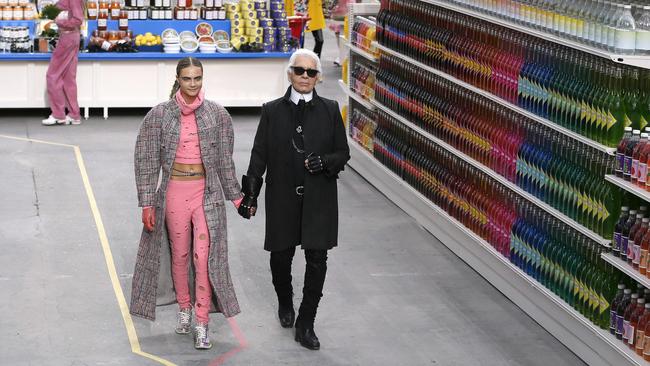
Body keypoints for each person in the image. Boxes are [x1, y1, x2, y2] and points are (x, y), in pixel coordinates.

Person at [239, 49, 350, 350]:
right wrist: (250, 195)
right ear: (289, 73)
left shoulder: (330, 109)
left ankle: (306, 322)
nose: (304, 76)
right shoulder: (272, 111)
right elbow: (259, 154)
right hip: (282, 197)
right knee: (280, 257)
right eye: (299, 71)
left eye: (310, 72)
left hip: (319, 199)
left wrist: (325, 162)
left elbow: (343, 153)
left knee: (317, 260)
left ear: (318, 77)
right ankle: (285, 301)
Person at [130, 57, 243, 350]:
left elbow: (224, 162)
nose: (193, 85)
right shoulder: (160, 115)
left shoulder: (218, 115)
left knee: (203, 258)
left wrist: (237, 197)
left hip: (206, 194)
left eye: (198, 78)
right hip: (174, 194)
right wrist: (147, 203)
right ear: (177, 80)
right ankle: (184, 307)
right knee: (179, 256)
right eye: (187, 79)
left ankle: (202, 321)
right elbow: (146, 160)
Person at [42, 0, 84, 126]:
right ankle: (74, 114)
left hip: (67, 38)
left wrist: (58, 21)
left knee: (52, 76)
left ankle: (58, 115)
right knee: (68, 78)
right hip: (71, 37)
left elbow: (78, 19)